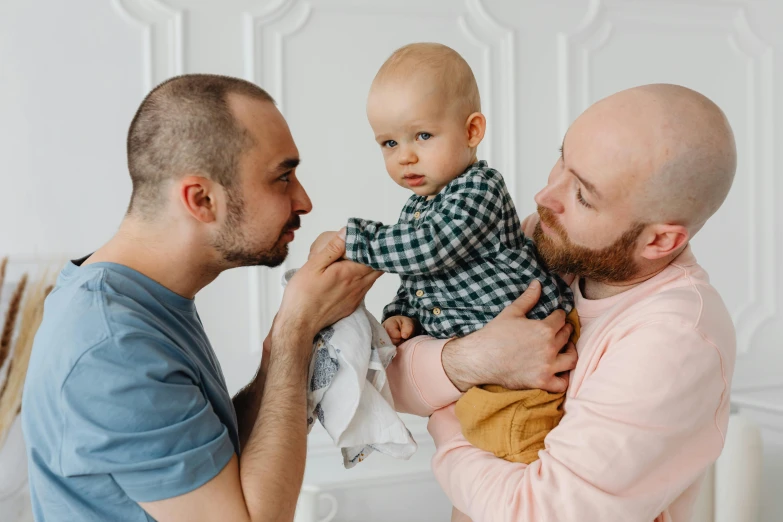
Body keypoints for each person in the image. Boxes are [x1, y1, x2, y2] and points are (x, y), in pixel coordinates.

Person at [21, 74, 385, 522]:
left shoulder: (142, 303)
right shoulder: (112, 345)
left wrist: (283, 344)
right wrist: (297, 327)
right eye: (282, 177)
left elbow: (222, 466)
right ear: (201, 199)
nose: (304, 200)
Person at [380, 83, 738, 522]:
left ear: (660, 240)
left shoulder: (676, 338)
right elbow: (389, 377)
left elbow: (535, 513)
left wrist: (447, 420)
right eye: (561, 161)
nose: (545, 197)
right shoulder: (544, 241)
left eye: (583, 195)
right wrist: (476, 359)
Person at [309, 42, 580, 473]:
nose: (405, 156)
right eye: (389, 143)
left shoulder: (479, 189)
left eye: (423, 136)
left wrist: (353, 240)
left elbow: (431, 249)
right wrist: (402, 313)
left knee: (519, 445)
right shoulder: (417, 207)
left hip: (530, 338)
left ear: (472, 131)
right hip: (484, 359)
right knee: (479, 441)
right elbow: (419, 280)